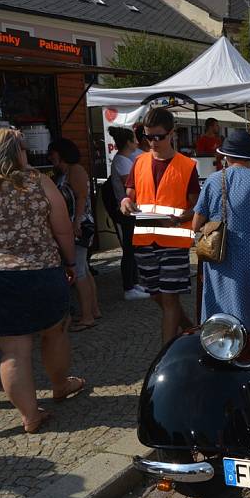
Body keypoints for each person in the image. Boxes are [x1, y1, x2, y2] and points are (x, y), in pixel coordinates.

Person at [0, 128, 86, 433]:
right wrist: (69, 262)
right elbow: (63, 230)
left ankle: (30, 416)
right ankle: (60, 385)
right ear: (19, 152)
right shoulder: (39, 181)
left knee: (14, 352)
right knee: (54, 333)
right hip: (41, 272)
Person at [120, 107, 199, 345]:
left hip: (174, 241)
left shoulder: (187, 166)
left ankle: (164, 354)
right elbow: (129, 195)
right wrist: (125, 202)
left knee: (169, 299)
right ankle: (187, 326)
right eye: (148, 136)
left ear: (171, 133)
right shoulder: (140, 162)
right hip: (145, 240)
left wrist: (177, 220)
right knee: (157, 295)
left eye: (158, 136)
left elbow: (197, 207)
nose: (153, 142)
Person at [192, 131, 250, 332]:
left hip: (217, 256)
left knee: (218, 305)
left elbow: (195, 223)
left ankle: (217, 343)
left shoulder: (212, 180)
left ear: (226, 155)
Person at [48, 138, 101, 332]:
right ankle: (92, 311)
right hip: (77, 224)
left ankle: (87, 316)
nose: (49, 156)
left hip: (79, 225)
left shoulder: (75, 170)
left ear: (61, 152)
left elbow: (81, 198)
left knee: (79, 270)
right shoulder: (64, 172)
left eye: (52, 152)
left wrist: (76, 222)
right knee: (83, 269)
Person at [107, 127, 150, 301]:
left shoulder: (124, 159)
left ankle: (134, 283)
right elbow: (132, 184)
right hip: (126, 209)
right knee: (129, 249)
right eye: (134, 140)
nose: (137, 143)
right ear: (128, 143)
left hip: (132, 209)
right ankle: (128, 287)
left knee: (133, 247)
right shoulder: (122, 160)